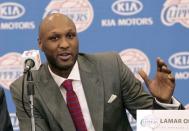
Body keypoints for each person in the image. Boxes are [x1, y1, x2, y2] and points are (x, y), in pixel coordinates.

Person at [10, 13, 183, 131]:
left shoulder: (110, 67)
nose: (64, 44)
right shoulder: (27, 88)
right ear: (40, 44)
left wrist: (163, 102)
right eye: (54, 38)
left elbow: (155, 125)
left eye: (70, 36)